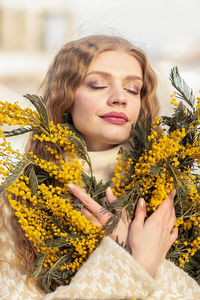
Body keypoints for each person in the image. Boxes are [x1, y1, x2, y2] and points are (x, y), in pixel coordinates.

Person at [0, 35, 199, 300]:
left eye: (132, 89)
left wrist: (142, 260)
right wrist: (133, 263)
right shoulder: (16, 206)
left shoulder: (181, 199)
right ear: (66, 96)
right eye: (98, 85)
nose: (119, 98)